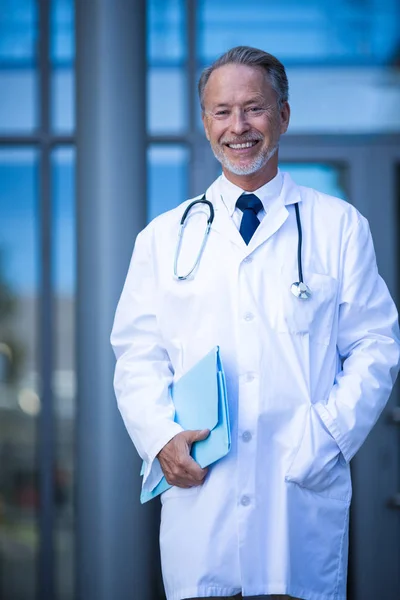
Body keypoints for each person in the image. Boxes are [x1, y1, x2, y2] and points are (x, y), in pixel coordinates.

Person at [110, 46, 400, 600]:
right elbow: (137, 354)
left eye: (254, 109)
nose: (237, 127)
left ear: (284, 117)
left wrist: (328, 435)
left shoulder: (337, 225)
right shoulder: (163, 237)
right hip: (203, 494)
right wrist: (160, 436)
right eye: (221, 111)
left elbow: (375, 345)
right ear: (204, 122)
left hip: (296, 491)